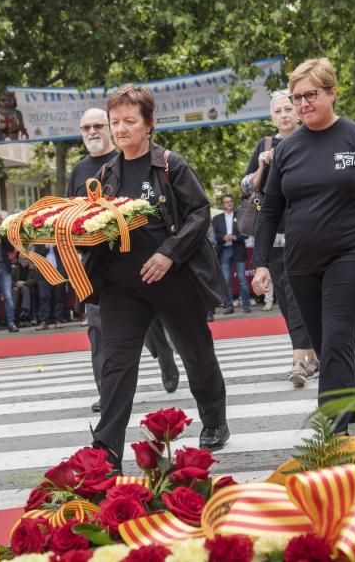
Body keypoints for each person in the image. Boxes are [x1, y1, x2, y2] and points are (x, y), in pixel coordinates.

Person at [251, 58, 355, 435]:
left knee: (338, 336)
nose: (303, 104)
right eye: (296, 97)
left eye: (311, 95)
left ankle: (332, 432)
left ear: (332, 92)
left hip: (352, 253)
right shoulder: (287, 150)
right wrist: (260, 263)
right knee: (326, 345)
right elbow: (271, 210)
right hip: (301, 261)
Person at [87, 84, 229, 469]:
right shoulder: (104, 175)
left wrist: (169, 254)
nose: (121, 129)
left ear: (149, 124)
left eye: (130, 121)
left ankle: (214, 418)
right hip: (122, 286)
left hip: (173, 278)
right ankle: (107, 449)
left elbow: (199, 213)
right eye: (115, 122)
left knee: (196, 353)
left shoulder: (169, 164)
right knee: (116, 364)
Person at [67, 108, 180, 412]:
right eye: (85, 127)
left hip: (138, 261)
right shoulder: (78, 171)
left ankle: (165, 357)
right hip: (97, 265)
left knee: (151, 323)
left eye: (98, 125)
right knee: (98, 329)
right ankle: (107, 393)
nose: (92, 131)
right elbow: (69, 216)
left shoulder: (128, 162)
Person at [242, 89, 318, 385]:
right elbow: (248, 187)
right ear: (271, 116)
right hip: (274, 235)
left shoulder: (312, 138)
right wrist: (262, 164)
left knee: (303, 296)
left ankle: (305, 358)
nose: (285, 115)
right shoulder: (264, 145)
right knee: (288, 300)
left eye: (289, 109)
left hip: (309, 231)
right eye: (278, 111)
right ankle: (306, 357)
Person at [212, 195, 252, 314]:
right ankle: (229, 306)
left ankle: (246, 305)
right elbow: (214, 235)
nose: (229, 203)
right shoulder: (217, 218)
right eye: (226, 202)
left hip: (238, 249)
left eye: (230, 201)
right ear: (222, 205)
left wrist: (235, 237)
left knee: (242, 279)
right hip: (224, 251)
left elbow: (246, 233)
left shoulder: (240, 216)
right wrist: (223, 237)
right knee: (226, 280)